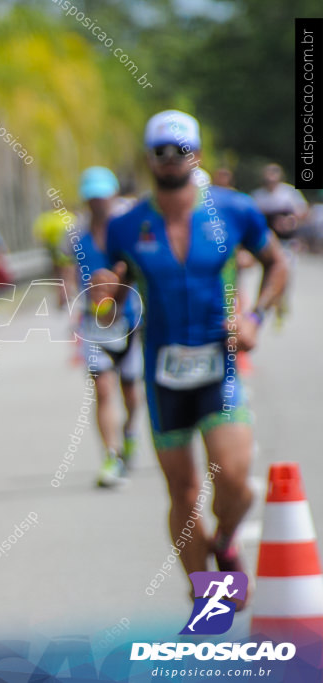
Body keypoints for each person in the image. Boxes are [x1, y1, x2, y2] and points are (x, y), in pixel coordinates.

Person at [93, 110, 287, 592]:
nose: (170, 160)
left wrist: (255, 317)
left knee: (236, 482)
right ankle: (207, 597)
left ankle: (224, 539)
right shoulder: (126, 225)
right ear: (148, 159)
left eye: (179, 150)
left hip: (218, 364)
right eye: (160, 152)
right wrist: (106, 293)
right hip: (163, 374)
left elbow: (277, 264)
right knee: (182, 492)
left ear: (196, 154)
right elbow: (108, 305)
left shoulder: (234, 210)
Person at [70, 166, 142, 487]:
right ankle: (111, 457)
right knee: (102, 389)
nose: (98, 203)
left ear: (113, 196)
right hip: (94, 324)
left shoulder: (128, 231)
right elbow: (72, 272)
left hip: (130, 320)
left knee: (131, 393)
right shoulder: (77, 236)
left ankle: (129, 433)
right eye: (92, 198)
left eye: (103, 196)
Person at [251, 163, 307, 325]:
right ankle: (265, 302)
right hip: (266, 242)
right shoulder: (258, 196)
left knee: (285, 270)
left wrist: (291, 221)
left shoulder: (288, 193)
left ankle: (281, 298)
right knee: (268, 269)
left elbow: (302, 213)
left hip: (286, 241)